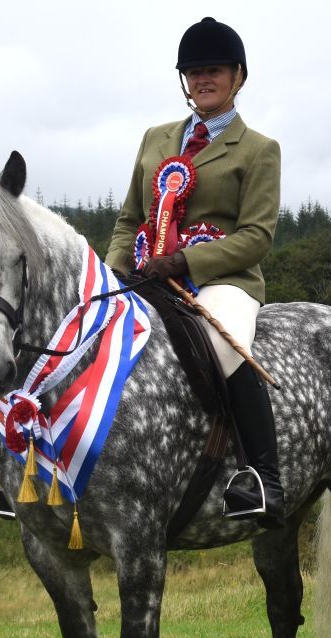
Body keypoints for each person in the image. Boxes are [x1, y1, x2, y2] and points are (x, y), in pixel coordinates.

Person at [106, 16, 285, 527]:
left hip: (222, 282)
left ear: (237, 76)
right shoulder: (155, 138)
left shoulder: (258, 150)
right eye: (194, 72)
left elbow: (257, 237)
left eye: (214, 71)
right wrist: (112, 276)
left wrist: (186, 261)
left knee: (223, 346)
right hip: (147, 276)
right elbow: (129, 219)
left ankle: (263, 478)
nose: (202, 80)